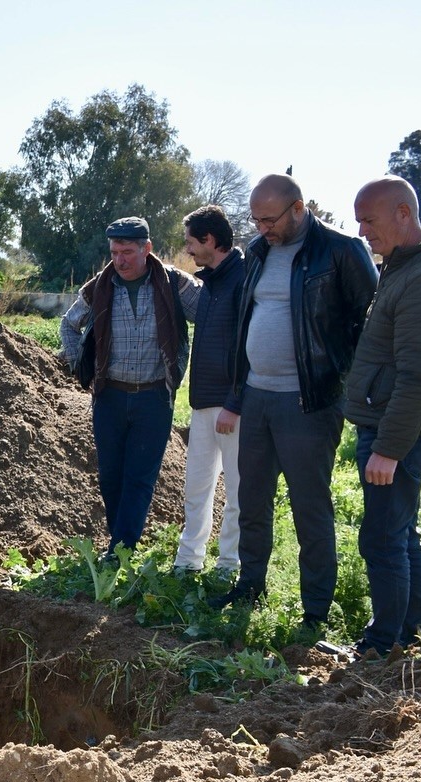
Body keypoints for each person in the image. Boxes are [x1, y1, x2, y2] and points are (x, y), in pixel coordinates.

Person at [211, 174, 377, 627]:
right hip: (258, 398)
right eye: (256, 219)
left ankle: (315, 610)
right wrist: (239, 393)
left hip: (311, 403)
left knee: (310, 508)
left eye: (269, 219)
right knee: (252, 499)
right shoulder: (259, 251)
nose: (261, 227)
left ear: (298, 208)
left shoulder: (341, 251)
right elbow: (248, 321)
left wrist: (353, 388)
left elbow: (372, 326)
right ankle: (250, 587)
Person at [343, 176, 421, 658]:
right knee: (400, 531)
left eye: (369, 220)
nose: (363, 231)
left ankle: (382, 644)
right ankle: (411, 635)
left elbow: (418, 378)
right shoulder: (406, 266)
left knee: (383, 537)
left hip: (400, 432)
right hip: (392, 424)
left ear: (403, 214)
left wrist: (388, 449)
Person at [61, 216, 200, 556]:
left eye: (127, 252)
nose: (119, 260)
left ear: (146, 249)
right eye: (114, 252)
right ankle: (121, 544)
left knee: (139, 478)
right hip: (110, 397)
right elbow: (68, 325)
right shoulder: (101, 286)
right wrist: (81, 363)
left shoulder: (173, 284)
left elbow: (211, 314)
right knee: (111, 477)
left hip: (154, 398)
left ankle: (121, 549)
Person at [173, 205, 247, 574]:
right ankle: (188, 562)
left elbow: (251, 345)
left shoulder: (245, 279)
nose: (188, 250)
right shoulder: (212, 282)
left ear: (210, 240)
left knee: (236, 491)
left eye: (190, 242)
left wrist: (235, 402)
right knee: (196, 488)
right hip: (203, 404)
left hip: (233, 407)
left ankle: (228, 566)